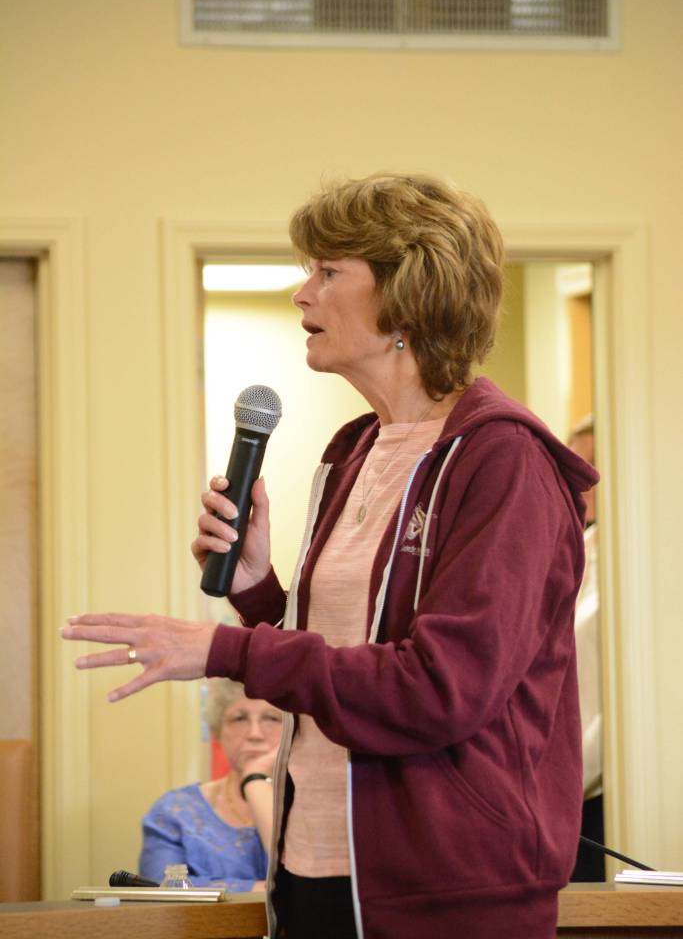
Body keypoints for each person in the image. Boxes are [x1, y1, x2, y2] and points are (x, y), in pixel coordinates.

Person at [62, 173, 598, 939]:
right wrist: (256, 595)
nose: (300, 293)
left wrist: (225, 647)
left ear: (406, 293)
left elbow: (438, 688)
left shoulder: (502, 461)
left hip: (444, 888)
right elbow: (350, 660)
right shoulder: (355, 449)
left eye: (327, 271)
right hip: (315, 859)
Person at [139, 679, 282, 890]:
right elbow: (159, 888)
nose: (255, 734)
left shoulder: (317, 809)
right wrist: (262, 890)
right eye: (239, 718)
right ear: (218, 730)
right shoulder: (175, 812)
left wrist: (256, 779)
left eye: (271, 718)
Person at [567, 416, 605, 882]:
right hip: (557, 792)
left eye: (596, 464)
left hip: (597, 792)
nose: (584, 479)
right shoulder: (578, 550)